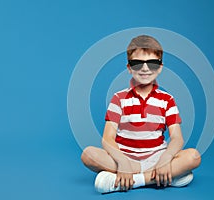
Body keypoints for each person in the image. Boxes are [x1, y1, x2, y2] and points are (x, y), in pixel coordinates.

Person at [81, 35, 201, 193]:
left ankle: (131, 181)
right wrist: (122, 161)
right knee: (88, 155)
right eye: (137, 64)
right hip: (126, 158)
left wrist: (165, 159)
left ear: (160, 67)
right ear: (129, 68)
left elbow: (177, 138)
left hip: (157, 159)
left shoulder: (167, 100)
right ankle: (165, 178)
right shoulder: (119, 98)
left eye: (152, 63)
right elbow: (108, 138)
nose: (145, 69)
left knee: (193, 156)